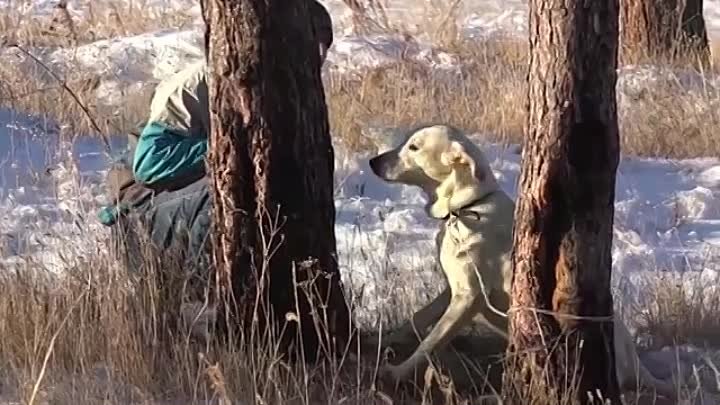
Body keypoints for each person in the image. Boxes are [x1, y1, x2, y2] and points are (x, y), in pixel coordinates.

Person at [99, 1, 335, 295]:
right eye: (309, 44)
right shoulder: (201, 82)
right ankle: (207, 303)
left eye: (323, 48)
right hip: (140, 213)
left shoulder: (291, 91)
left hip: (180, 209)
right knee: (230, 193)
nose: (317, 58)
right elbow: (149, 165)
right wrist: (230, 144)